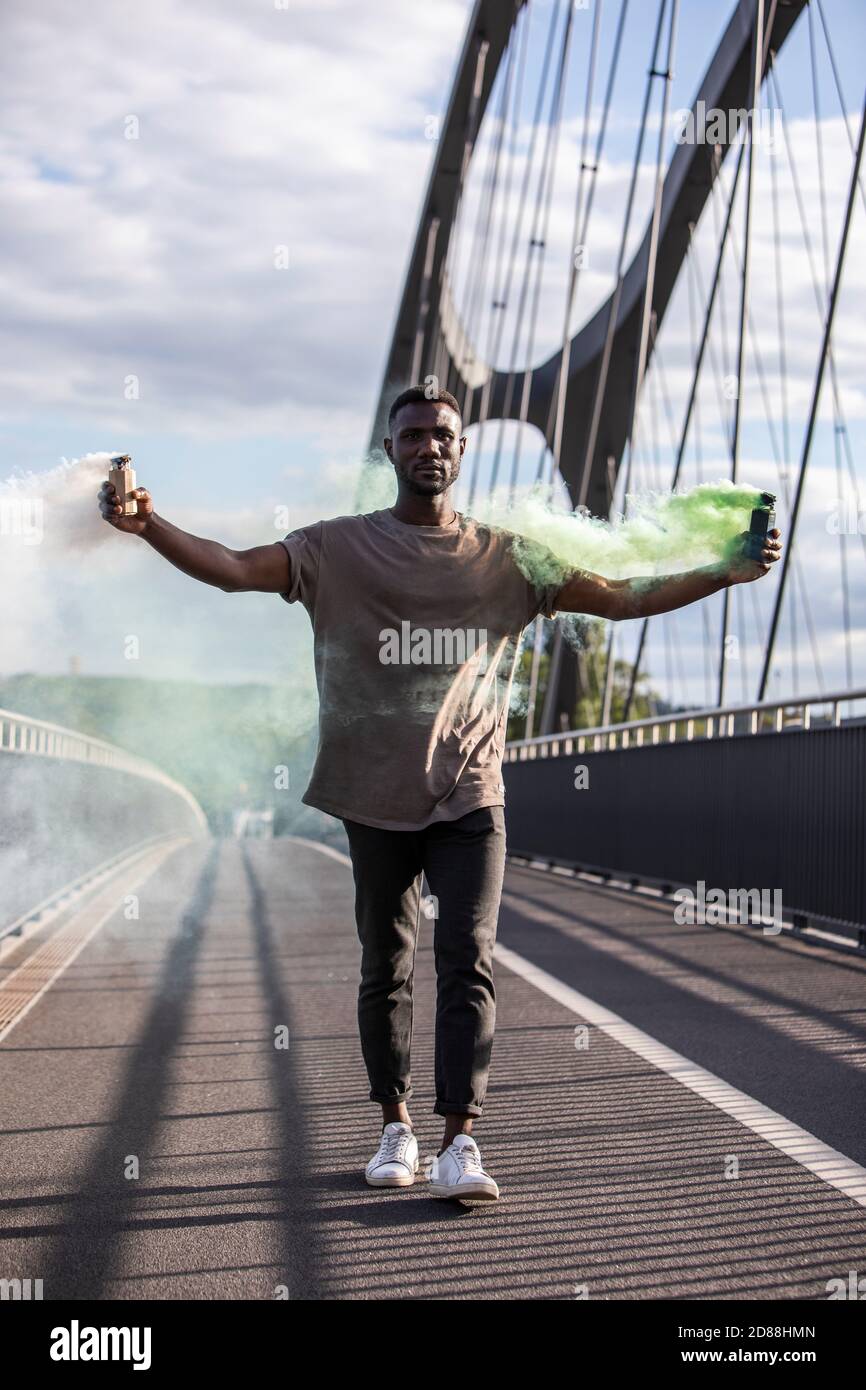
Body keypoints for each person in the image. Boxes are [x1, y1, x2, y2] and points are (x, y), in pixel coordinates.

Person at [98, 385, 783, 1203]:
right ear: (391, 450)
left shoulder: (510, 556)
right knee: (385, 964)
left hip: (471, 794)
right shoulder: (335, 549)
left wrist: (725, 574)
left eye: (443, 435)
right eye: (414, 434)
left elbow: (622, 599)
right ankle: (396, 1127)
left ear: (461, 452)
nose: (430, 446)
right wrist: (149, 527)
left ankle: (462, 1140)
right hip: (373, 794)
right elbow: (236, 569)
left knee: (468, 961)